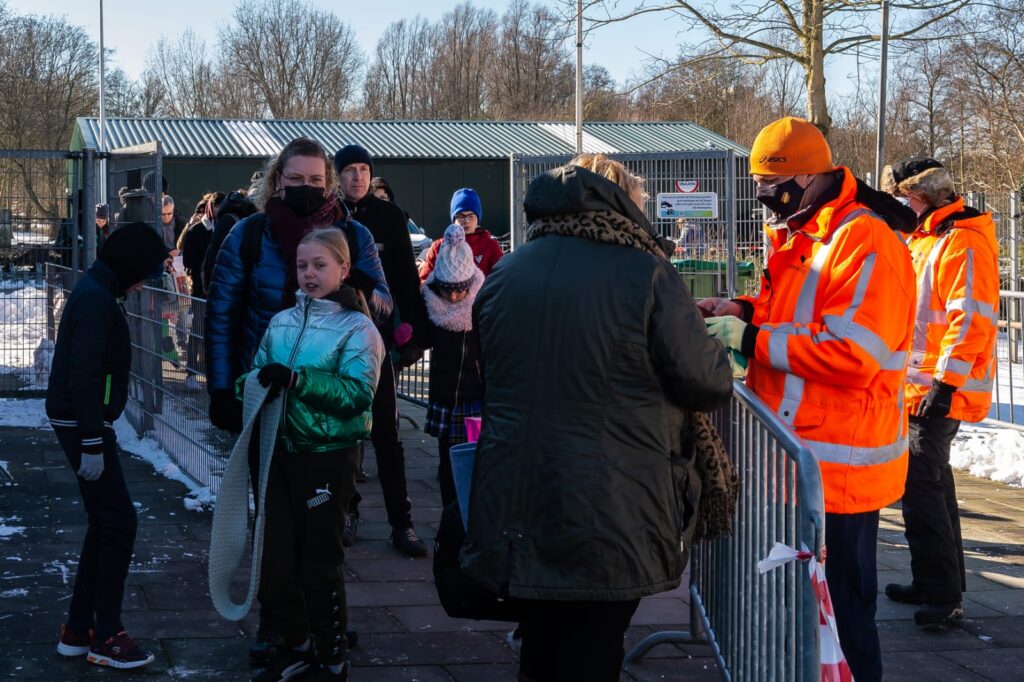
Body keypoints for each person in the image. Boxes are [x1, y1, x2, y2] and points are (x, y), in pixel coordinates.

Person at [462, 154, 733, 682]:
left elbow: (489, 371)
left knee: (542, 638)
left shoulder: (508, 271)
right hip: (613, 495)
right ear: (619, 203)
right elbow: (705, 382)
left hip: (519, 489)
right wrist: (718, 345)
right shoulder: (647, 272)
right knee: (595, 640)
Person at [702, 116, 916, 682]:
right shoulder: (805, 233)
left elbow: (852, 351)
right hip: (797, 460)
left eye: (773, 186)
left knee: (841, 614)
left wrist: (749, 340)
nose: (765, 198)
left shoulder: (863, 239)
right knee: (799, 613)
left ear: (810, 178)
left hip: (840, 467)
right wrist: (743, 312)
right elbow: (795, 315)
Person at [205, 136, 390, 664]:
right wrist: (224, 387)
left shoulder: (354, 234)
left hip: (326, 418)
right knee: (274, 525)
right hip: (266, 401)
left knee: (321, 534)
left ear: (328, 183)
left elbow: (384, 303)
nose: (305, 189)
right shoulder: (248, 235)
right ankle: (280, 623)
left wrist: (358, 297)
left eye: (315, 181)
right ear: (277, 180)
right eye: (295, 180)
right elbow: (221, 314)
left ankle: (322, 625)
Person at [244, 228, 384, 682]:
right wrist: (244, 390)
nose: (309, 273)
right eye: (302, 265)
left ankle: (332, 655)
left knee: (318, 560)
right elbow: (260, 371)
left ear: (343, 269)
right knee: (278, 558)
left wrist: (299, 381)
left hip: (327, 456)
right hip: (280, 454)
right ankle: (298, 642)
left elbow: (358, 395)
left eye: (320, 265)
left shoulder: (358, 328)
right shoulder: (281, 321)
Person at [880, 158, 999, 628]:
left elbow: (969, 318)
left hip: (936, 388)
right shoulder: (931, 237)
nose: (899, 206)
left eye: (903, 197)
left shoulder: (959, 240)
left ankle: (943, 593)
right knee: (931, 486)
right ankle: (936, 583)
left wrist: (946, 384)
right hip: (922, 386)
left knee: (922, 489)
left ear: (923, 197)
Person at [46, 222, 170, 670]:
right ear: (128, 265)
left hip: (84, 422)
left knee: (106, 522)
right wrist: (94, 441)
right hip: (82, 424)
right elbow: (84, 375)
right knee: (119, 522)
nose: (143, 282)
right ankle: (106, 633)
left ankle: (80, 629)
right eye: (144, 272)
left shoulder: (99, 291)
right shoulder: (96, 300)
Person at [334, 144, 429, 557]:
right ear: (337, 175)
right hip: (337, 340)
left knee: (387, 433)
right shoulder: (329, 217)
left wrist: (415, 333)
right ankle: (347, 512)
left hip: (380, 338)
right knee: (346, 432)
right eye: (349, 169)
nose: (357, 176)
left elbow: (407, 279)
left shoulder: (390, 217)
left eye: (363, 169)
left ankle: (401, 522)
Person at [420, 224, 484, 508]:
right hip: (444, 396)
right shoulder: (430, 302)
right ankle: (450, 514)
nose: (455, 297)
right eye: (448, 291)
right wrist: (406, 342)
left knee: (474, 462)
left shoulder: (481, 305)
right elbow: (421, 339)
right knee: (446, 462)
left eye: (460, 290)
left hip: (475, 397)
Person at [418, 188, 503, 282]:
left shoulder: (490, 247)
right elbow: (424, 282)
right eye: (461, 216)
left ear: (478, 219)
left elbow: (501, 280)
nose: (466, 221)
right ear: (454, 219)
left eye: (471, 216)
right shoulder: (438, 247)